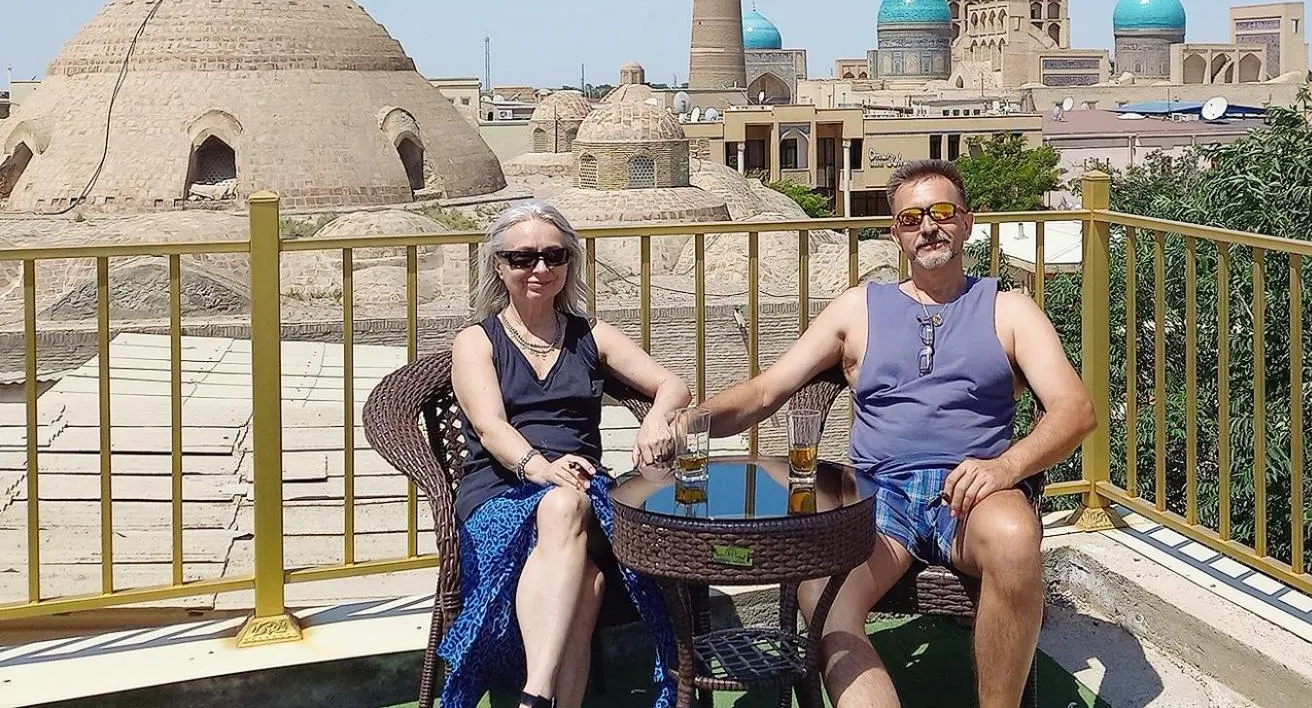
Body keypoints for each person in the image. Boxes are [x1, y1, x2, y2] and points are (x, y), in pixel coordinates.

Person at [688, 159, 1096, 708]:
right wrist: (692, 420)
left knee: (1017, 539)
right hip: (879, 495)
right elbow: (767, 391)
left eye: (942, 212)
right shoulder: (859, 308)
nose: (928, 226)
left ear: (967, 222)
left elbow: (1074, 410)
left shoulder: (1009, 308)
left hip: (975, 492)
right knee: (824, 594)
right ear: (895, 232)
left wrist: (1004, 468)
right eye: (911, 218)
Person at [440, 200, 690, 708]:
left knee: (569, 504)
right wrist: (541, 468)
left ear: (569, 263)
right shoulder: (475, 341)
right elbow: (489, 427)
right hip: (501, 489)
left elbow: (671, 382)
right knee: (587, 581)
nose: (540, 269)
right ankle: (549, 699)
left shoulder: (589, 334)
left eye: (554, 256)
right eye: (523, 258)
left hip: (583, 487)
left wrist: (658, 418)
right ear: (498, 265)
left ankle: (534, 695)